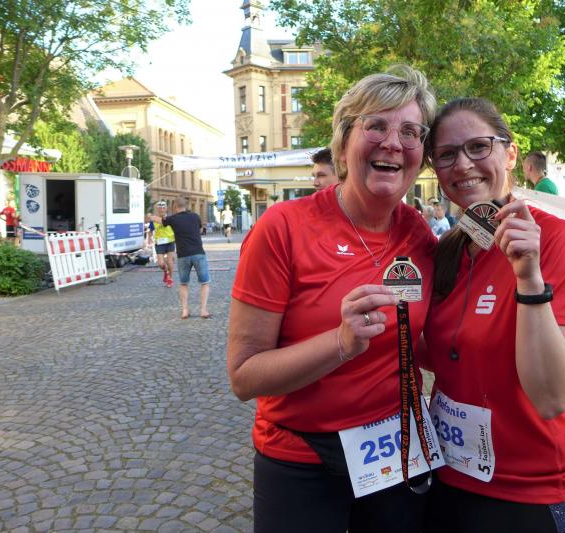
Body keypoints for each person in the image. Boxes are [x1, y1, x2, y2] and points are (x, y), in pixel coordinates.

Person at [227, 65, 438, 533]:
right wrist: (340, 343)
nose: (393, 143)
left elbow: (425, 340)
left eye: (410, 132)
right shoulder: (283, 227)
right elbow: (244, 377)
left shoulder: (417, 233)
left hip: (395, 448)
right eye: (375, 126)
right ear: (343, 146)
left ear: (421, 156)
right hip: (301, 456)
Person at [423, 97, 565, 532]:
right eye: (446, 154)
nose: (463, 164)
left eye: (478, 147)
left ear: (510, 154)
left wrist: (529, 279)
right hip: (449, 477)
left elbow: (553, 398)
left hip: (533, 492)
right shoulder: (447, 250)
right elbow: (446, 352)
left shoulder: (555, 242)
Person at [149, 197, 209, 319]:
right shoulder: (195, 216)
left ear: (175, 207)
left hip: (183, 255)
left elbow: (159, 220)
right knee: (204, 283)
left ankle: (185, 311)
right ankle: (203, 310)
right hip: (198, 253)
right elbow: (201, 230)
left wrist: (150, 216)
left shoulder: (173, 219)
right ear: (186, 206)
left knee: (183, 283)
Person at [150, 200, 175, 288]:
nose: (162, 210)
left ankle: (170, 279)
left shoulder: (170, 218)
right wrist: (149, 240)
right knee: (161, 264)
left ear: (166, 209)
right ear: (157, 209)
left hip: (170, 241)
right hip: (159, 243)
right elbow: (150, 230)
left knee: (169, 261)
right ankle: (165, 271)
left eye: (163, 208)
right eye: (160, 208)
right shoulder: (154, 219)